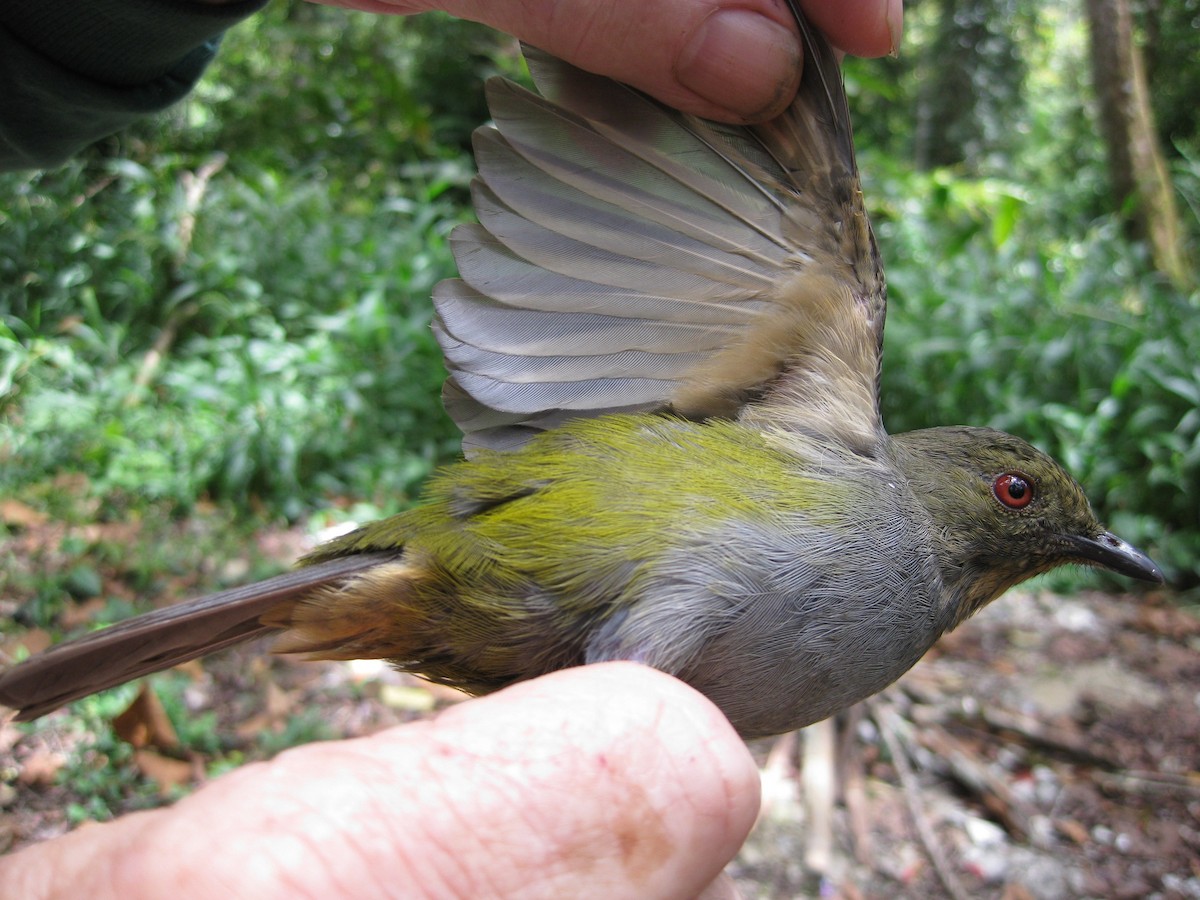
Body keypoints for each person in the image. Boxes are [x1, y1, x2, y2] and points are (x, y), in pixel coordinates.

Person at [0, 1, 900, 895]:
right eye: (1016, 492)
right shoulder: (822, 410)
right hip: (486, 556)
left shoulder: (891, 599)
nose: (1030, 517)